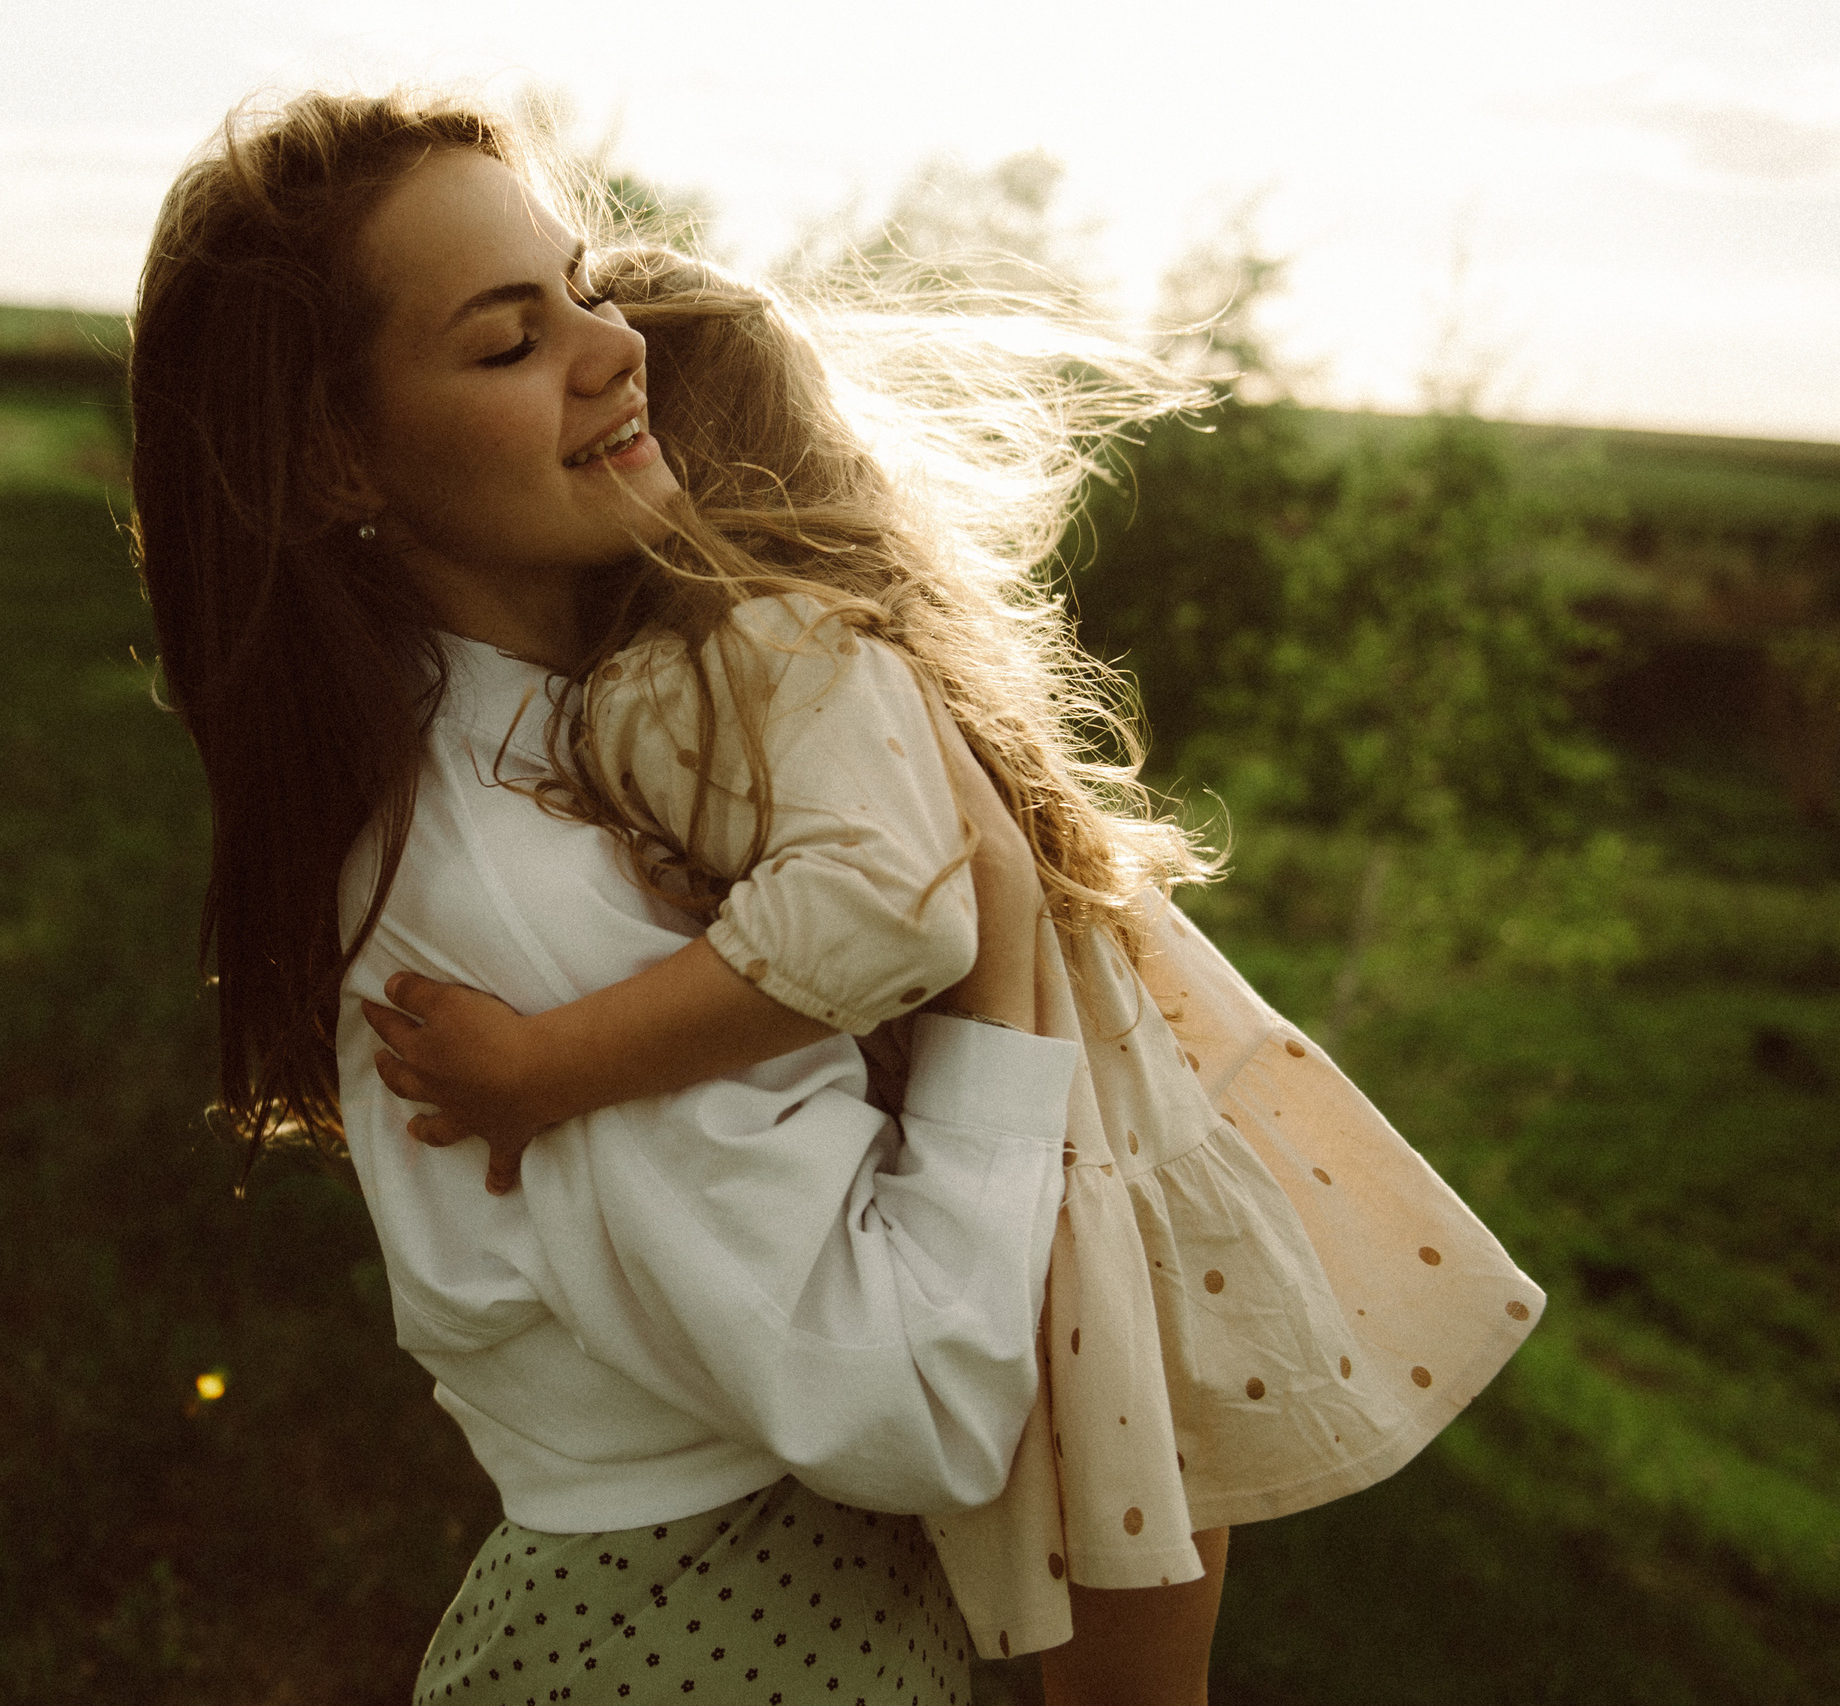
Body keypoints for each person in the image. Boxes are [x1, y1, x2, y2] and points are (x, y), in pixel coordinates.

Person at [130, 89, 1542, 1706]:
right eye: (511, 341)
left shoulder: (616, 737)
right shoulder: (513, 888)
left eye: (587, 286)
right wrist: (1002, 958)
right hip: (703, 1635)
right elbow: (917, 1400)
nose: (613, 350)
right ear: (332, 454)